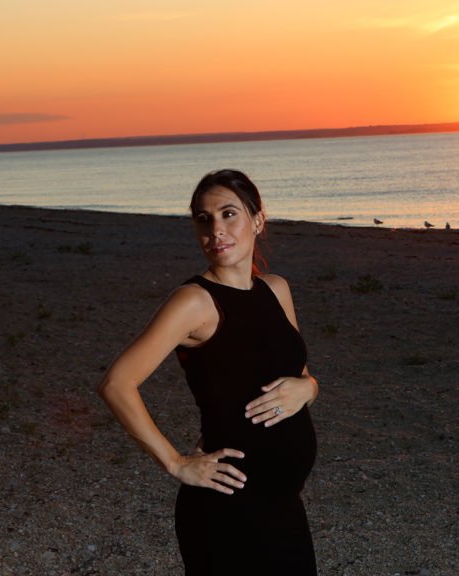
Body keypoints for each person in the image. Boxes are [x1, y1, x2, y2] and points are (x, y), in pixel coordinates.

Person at [97, 169, 320, 575]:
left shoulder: (276, 289)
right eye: (204, 218)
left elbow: (299, 374)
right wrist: (176, 463)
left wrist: (309, 387)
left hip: (284, 503)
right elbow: (117, 383)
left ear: (257, 220)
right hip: (228, 509)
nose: (216, 229)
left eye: (229, 214)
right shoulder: (194, 302)